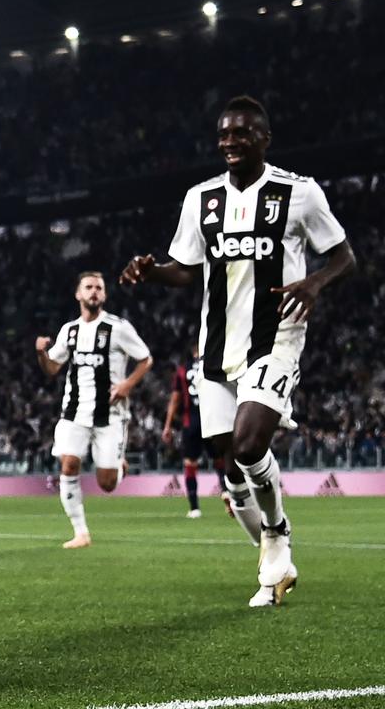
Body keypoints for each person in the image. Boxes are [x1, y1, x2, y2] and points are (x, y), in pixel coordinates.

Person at [121, 95, 356, 606]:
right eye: (225, 133)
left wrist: (315, 282)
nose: (231, 141)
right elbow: (186, 268)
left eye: (242, 133)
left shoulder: (299, 193)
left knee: (250, 446)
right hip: (215, 346)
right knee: (229, 468)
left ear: (264, 140)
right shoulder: (200, 199)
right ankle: (274, 569)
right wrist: (152, 271)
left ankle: (276, 535)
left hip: (276, 338)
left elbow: (344, 256)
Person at [35, 272, 152, 549]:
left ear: (105, 295)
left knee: (107, 483)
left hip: (109, 414)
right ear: (78, 294)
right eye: (88, 287)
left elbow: (146, 359)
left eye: (99, 288)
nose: (94, 292)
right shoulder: (69, 330)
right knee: (69, 464)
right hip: (74, 411)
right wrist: (42, 353)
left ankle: (118, 466)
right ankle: (80, 532)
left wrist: (126, 385)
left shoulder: (118, 327)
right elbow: (53, 368)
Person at [161, 344, 225, 519]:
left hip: (191, 423)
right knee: (220, 460)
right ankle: (230, 497)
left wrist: (167, 425)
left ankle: (195, 508)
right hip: (212, 421)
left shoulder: (183, 371)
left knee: (190, 463)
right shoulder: (214, 365)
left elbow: (175, 399)